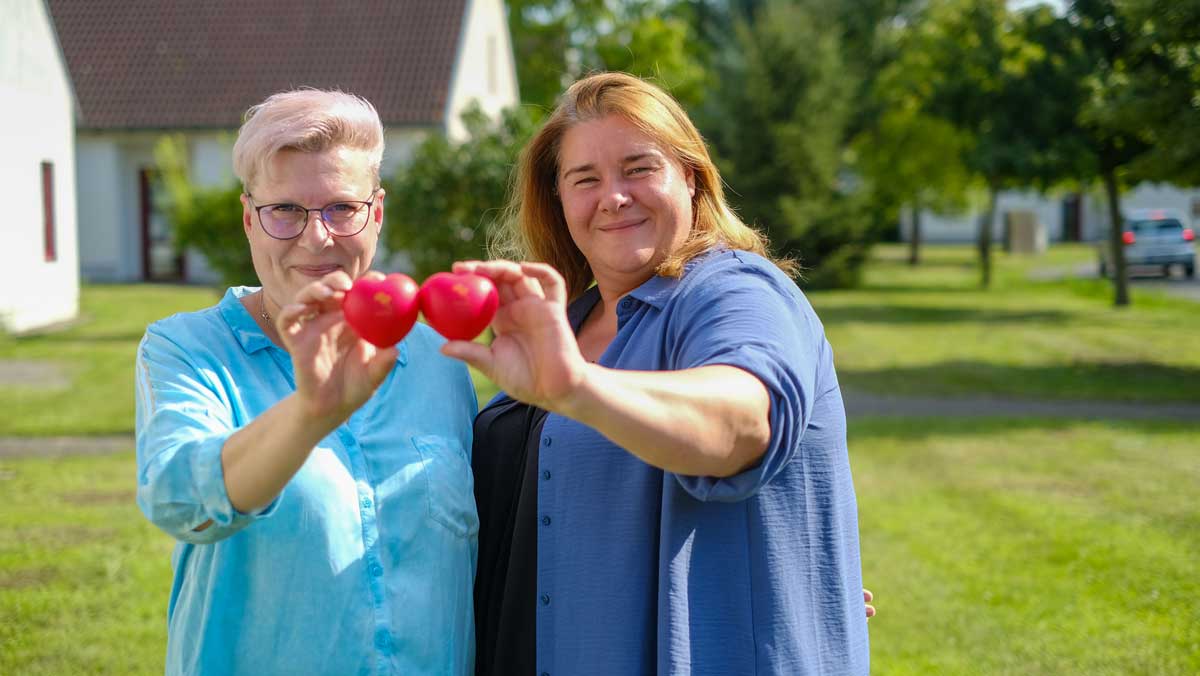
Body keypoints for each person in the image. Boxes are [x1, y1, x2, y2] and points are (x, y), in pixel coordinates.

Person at [454, 72, 870, 675]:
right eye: (585, 179)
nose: (613, 196)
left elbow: (743, 422)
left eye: (639, 168)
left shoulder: (735, 292)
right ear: (558, 200)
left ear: (692, 177)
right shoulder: (565, 320)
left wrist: (578, 387)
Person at [134, 89, 478, 675]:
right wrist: (310, 413)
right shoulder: (187, 350)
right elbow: (179, 501)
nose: (317, 238)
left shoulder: (439, 359)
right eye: (285, 210)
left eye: (342, 208)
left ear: (377, 212)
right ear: (249, 218)